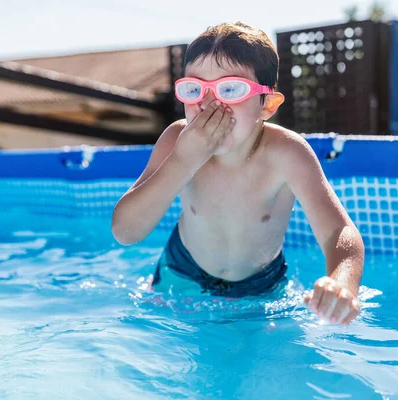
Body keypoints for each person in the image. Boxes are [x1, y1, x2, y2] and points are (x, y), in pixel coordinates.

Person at [111, 22, 364, 326]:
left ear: (267, 105)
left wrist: (342, 283)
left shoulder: (287, 153)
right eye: (195, 89)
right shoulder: (176, 142)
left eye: (230, 89)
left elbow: (339, 232)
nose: (209, 105)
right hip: (182, 272)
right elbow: (125, 232)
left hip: (260, 286)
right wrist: (183, 161)